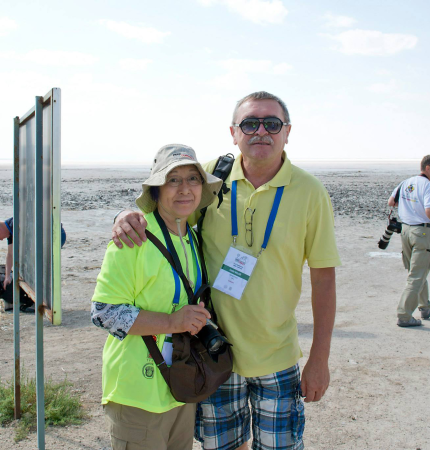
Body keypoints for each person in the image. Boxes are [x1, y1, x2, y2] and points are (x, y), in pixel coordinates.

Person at [112, 91, 341, 450]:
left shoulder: (310, 192)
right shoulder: (209, 178)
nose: (261, 131)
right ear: (233, 133)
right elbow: (165, 211)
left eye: (272, 123)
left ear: (287, 132)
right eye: (250, 123)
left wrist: (319, 359)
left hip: (277, 355)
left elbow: (324, 278)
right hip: (213, 352)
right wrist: (126, 215)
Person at [91, 144, 223, 450]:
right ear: (156, 189)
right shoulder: (133, 237)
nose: (184, 188)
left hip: (180, 386)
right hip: (137, 394)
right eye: (172, 180)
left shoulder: (191, 237)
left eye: (193, 178)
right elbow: (104, 313)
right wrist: (172, 322)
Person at [0, 218, 67, 311]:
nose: (1, 239)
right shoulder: (11, 229)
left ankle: (40, 303)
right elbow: (10, 254)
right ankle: (36, 300)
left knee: (40, 269)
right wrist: (7, 276)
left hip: (54, 235)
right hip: (44, 238)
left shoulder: (16, 223)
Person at [388, 155, 430, 327]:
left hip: (406, 231)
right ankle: (404, 315)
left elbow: (391, 202)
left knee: (417, 271)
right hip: (422, 233)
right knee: (417, 275)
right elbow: (428, 211)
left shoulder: (406, 182)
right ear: (428, 168)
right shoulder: (427, 185)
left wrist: (411, 207)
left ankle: (425, 307)